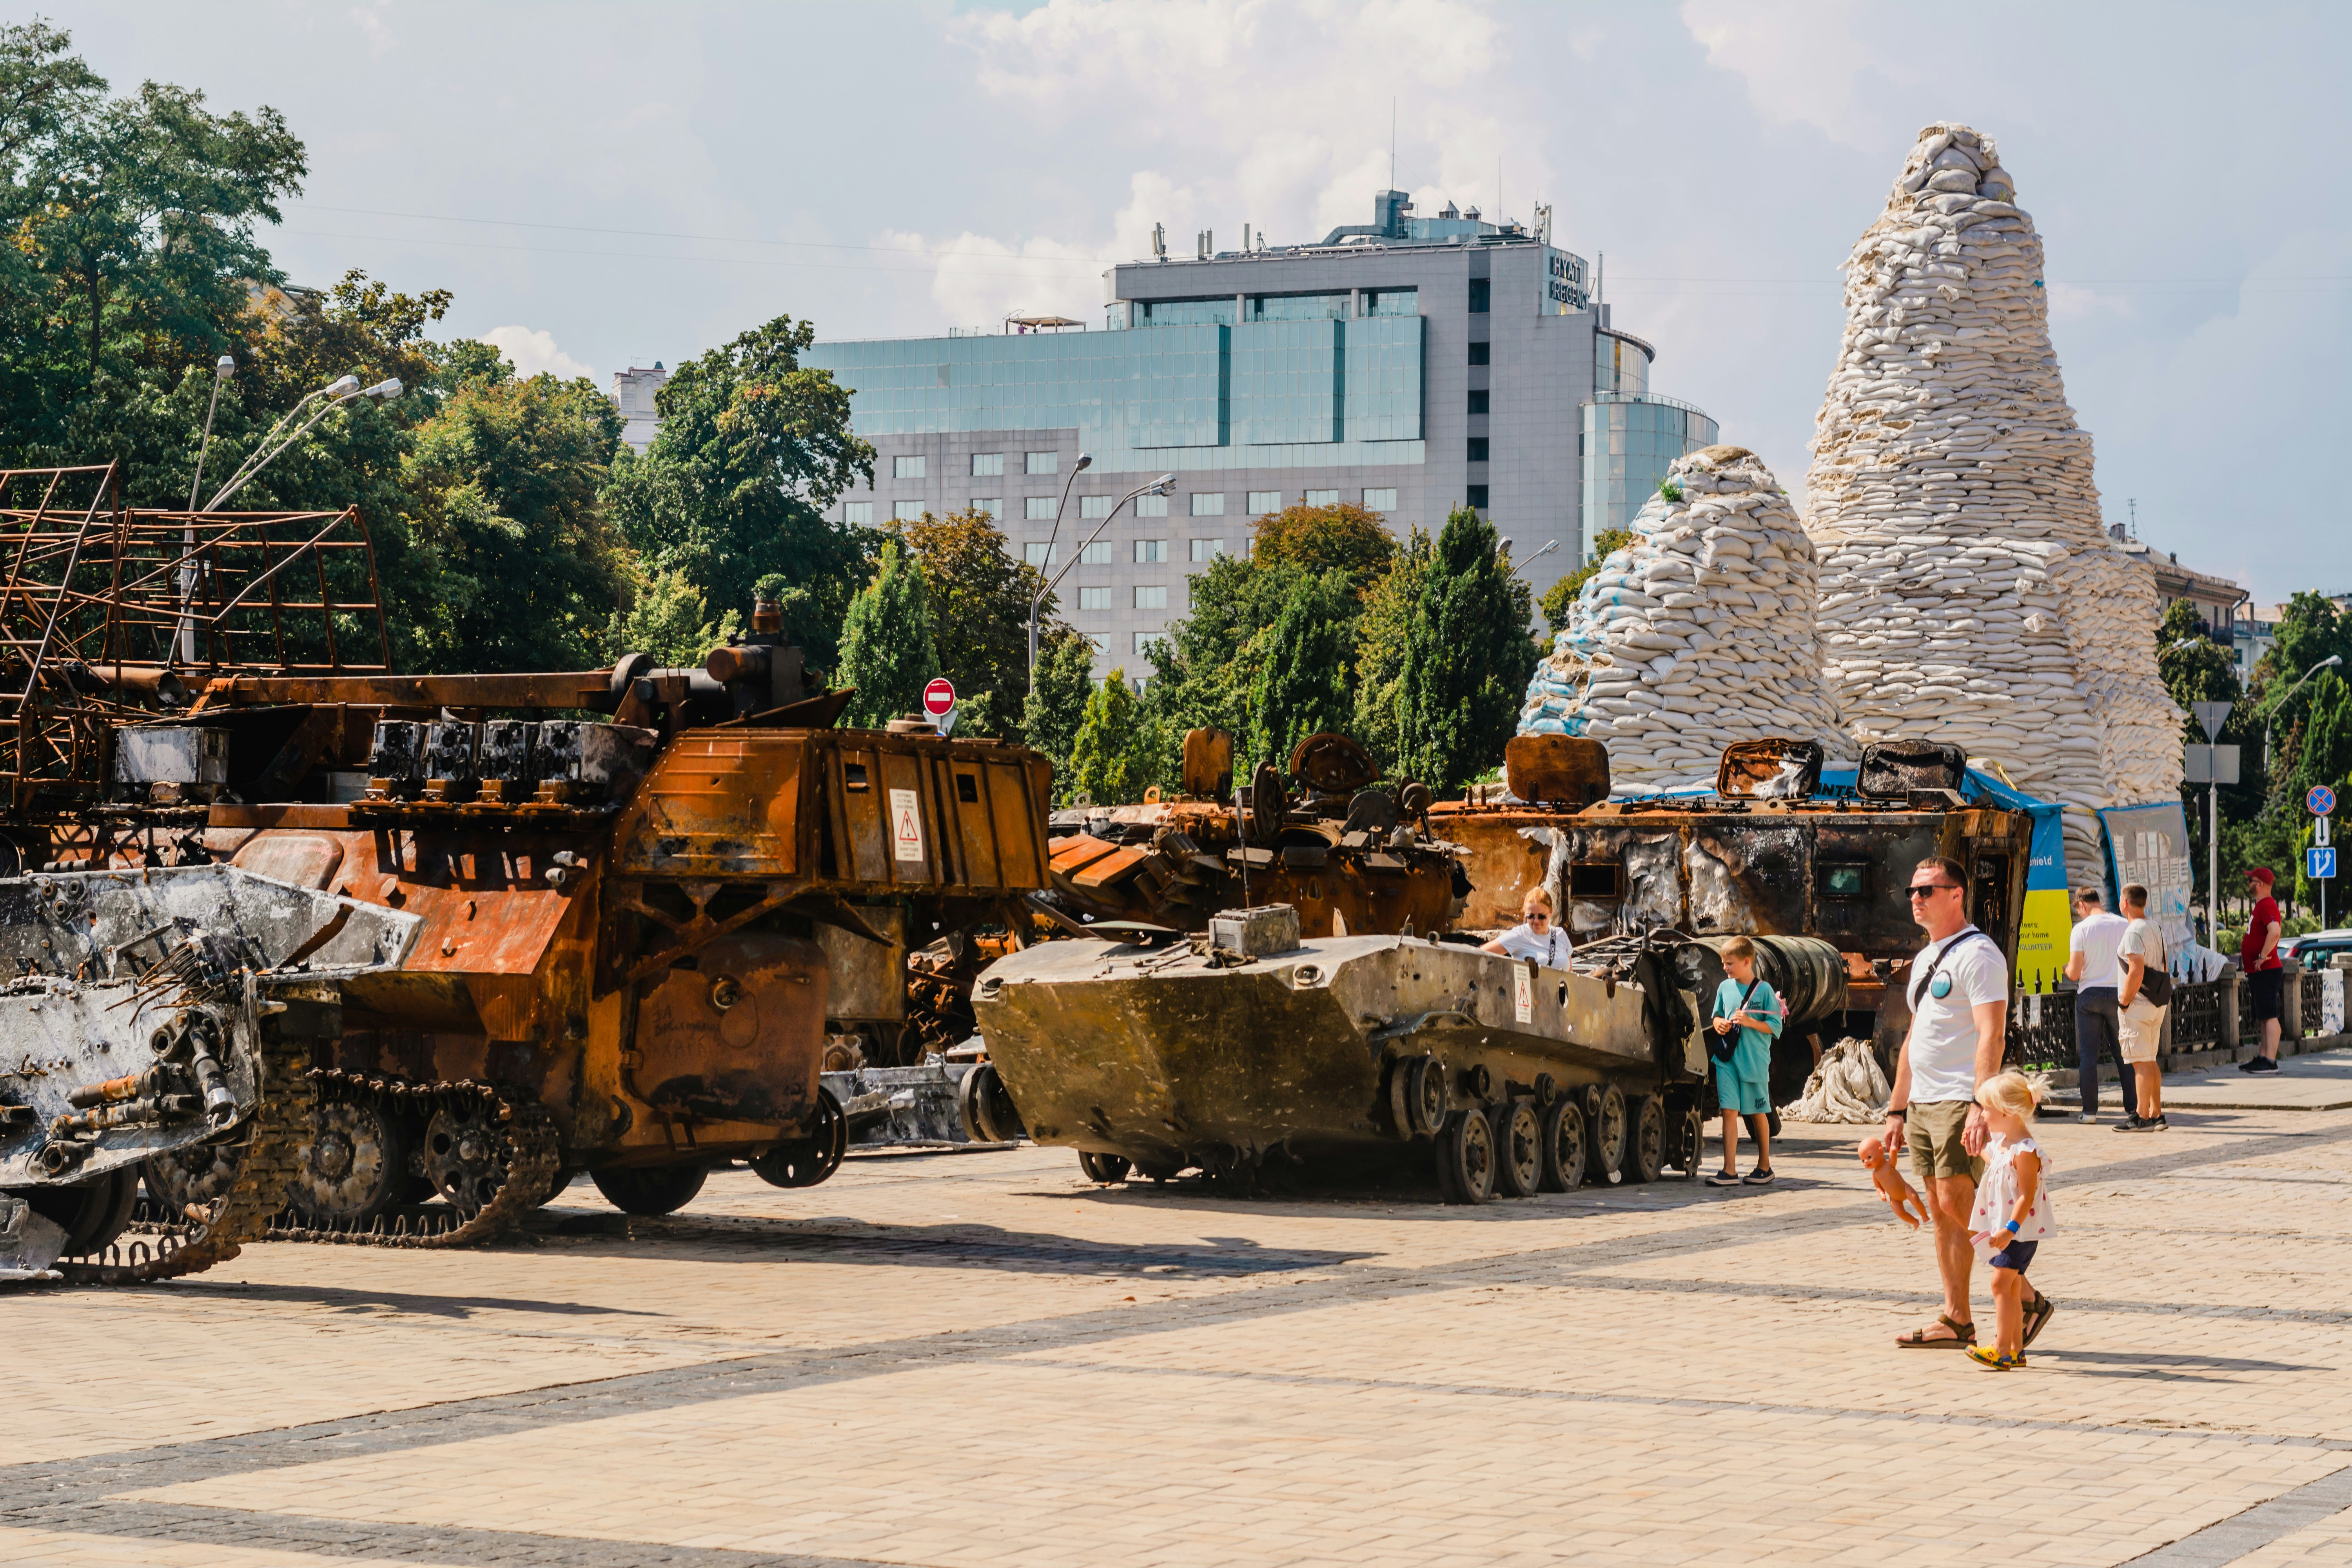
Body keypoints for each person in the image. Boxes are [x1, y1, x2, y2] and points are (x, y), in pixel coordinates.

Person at [1884, 856, 2050, 1351]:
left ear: (1957, 894)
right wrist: (1896, 1109)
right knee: (1939, 1206)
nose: (1916, 898)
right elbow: (1915, 1038)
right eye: (1912, 890)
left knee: (1960, 1199)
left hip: (1960, 1096)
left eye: (1927, 890)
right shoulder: (1926, 958)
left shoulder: (1979, 955)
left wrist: (1981, 1104)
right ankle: (1957, 1317)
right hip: (1924, 1102)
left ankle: (2025, 1295)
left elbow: (1991, 1033)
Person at [1964, 1071, 2057, 1370]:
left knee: (2000, 1285)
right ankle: (2016, 1351)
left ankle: (2001, 1349)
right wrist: (1978, 1150)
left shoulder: (2026, 1151)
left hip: (2018, 1233)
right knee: (2013, 1287)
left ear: (2007, 1112)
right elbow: (1996, 1161)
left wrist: (2009, 1229)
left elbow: (2026, 1196)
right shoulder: (2006, 1145)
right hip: (2009, 1231)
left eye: (1986, 1109)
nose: (1983, 1115)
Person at [1705, 936, 1783, 1187]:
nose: (1725, 969)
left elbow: (1776, 1026)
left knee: (1757, 1111)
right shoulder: (1724, 988)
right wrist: (1719, 1024)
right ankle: (1729, 1170)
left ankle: (1765, 1165)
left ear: (1747, 961)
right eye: (1724, 964)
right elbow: (1716, 1016)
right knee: (1729, 1111)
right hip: (1727, 1059)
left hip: (1754, 1062)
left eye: (1730, 964)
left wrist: (1749, 1022)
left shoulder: (1765, 991)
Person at [2063, 887, 2134, 1124]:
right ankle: (2133, 1109)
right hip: (2118, 994)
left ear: (2081, 905)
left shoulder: (2081, 929)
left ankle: (2090, 1113)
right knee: (2124, 1055)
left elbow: (2074, 973)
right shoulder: (2122, 924)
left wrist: (2065, 968)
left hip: (2090, 996)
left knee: (2089, 1057)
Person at [2115, 884, 2169, 1131]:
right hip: (2158, 1002)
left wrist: (2124, 1002)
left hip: (2138, 1005)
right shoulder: (2155, 926)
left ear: (2124, 903)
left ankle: (2141, 1117)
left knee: (2140, 1063)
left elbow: (2136, 970)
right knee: (2150, 1059)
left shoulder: (2133, 931)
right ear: (2145, 903)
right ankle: (2157, 1115)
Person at [2239, 867, 2285, 1074]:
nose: (2249, 884)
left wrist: (2263, 957)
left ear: (2262, 885)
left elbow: (2275, 931)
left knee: (2270, 1014)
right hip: (2259, 971)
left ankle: (2270, 1060)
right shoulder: (2261, 906)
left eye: (2252, 881)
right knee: (2264, 1015)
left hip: (2266, 969)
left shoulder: (2267, 905)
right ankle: (2264, 1056)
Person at [1481, 887, 1572, 967]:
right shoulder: (1519, 935)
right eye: (1531, 916)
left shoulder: (1560, 935)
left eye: (1541, 917)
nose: (1536, 921)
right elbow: (1481, 953)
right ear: (1525, 913)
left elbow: (1571, 974)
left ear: (1551, 913)